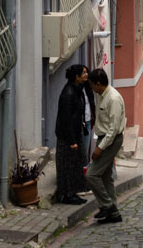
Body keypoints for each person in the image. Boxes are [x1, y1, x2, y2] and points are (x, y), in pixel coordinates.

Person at [86, 68, 126, 224]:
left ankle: (107, 205)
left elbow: (113, 129)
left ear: (98, 84)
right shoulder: (101, 95)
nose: (91, 88)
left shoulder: (113, 98)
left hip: (110, 140)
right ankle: (114, 213)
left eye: (92, 85)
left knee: (91, 174)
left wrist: (99, 148)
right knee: (106, 177)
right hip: (104, 138)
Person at [54, 64, 89, 204]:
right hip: (68, 136)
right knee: (67, 165)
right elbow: (66, 118)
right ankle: (67, 194)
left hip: (75, 133)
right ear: (77, 76)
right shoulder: (68, 93)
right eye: (84, 73)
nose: (87, 75)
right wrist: (72, 140)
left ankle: (73, 192)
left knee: (76, 164)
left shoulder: (78, 90)